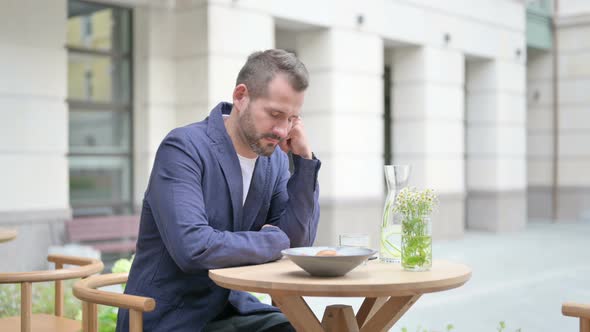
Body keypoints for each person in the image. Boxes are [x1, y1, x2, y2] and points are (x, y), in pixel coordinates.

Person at [116, 49, 321, 332]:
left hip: (231, 308)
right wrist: (275, 242)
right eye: (275, 114)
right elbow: (194, 247)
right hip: (166, 316)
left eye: (292, 119)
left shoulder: (273, 160)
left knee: (308, 329)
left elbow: (298, 242)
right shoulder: (183, 148)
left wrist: (305, 161)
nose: (282, 130)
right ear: (241, 96)